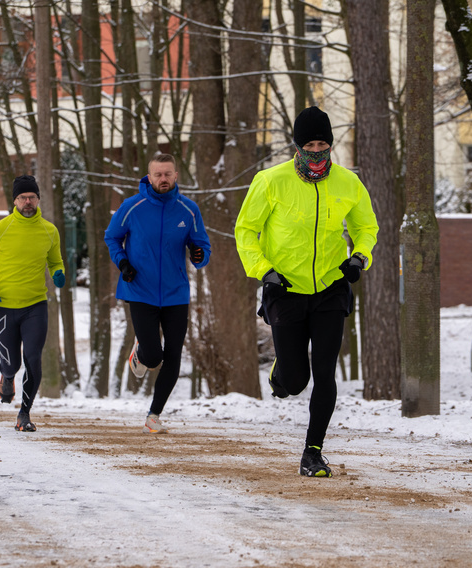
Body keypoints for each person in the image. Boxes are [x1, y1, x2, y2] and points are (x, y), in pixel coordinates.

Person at [235, 106, 379, 477]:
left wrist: (359, 258)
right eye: (310, 144)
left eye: (323, 143)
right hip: (284, 287)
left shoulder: (348, 182)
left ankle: (312, 452)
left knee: (325, 372)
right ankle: (281, 374)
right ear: (297, 147)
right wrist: (263, 271)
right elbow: (246, 231)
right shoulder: (271, 181)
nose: (317, 150)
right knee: (296, 381)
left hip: (331, 286)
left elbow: (367, 227)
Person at [104, 154, 211, 434]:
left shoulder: (188, 210)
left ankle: (154, 414)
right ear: (149, 177)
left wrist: (198, 255)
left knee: (173, 354)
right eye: (157, 175)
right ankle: (141, 353)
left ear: (176, 175)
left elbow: (201, 246)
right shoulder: (132, 207)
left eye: (167, 174)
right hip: (139, 289)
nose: (162, 179)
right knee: (153, 357)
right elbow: (111, 236)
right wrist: (123, 262)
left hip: (176, 294)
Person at [0, 174, 65, 432]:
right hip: (3, 306)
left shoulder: (50, 231)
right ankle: (7, 375)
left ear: (38, 199)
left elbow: (56, 261)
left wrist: (59, 273)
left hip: (35, 305)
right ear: (15, 200)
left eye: (32, 197)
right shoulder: (0, 229)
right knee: (12, 363)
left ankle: (24, 413)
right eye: (23, 197)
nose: (28, 202)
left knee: (33, 358)